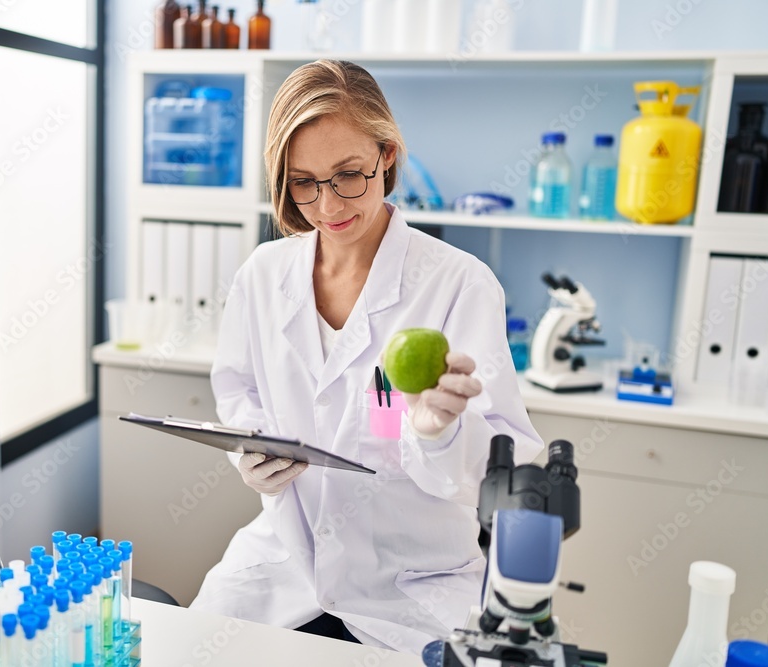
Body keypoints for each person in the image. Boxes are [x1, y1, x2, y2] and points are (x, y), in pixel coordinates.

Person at [189, 59, 543, 655]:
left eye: (348, 174)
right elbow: (239, 390)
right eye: (303, 181)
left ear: (387, 155)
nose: (328, 206)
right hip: (284, 564)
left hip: (413, 588)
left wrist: (437, 433)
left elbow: (511, 466)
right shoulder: (263, 275)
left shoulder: (459, 285)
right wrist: (250, 452)